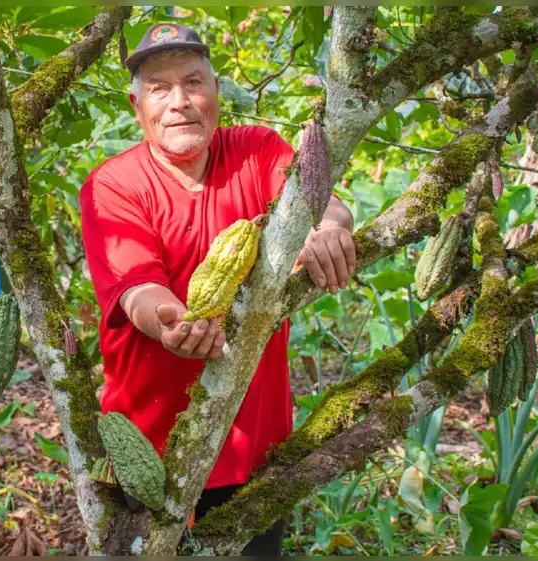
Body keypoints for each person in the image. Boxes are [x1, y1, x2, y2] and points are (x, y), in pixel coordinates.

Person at [79, 23, 356, 555]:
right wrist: (171, 322)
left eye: (193, 82)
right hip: (147, 453)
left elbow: (322, 200)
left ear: (216, 91)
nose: (179, 102)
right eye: (159, 88)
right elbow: (137, 290)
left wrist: (328, 227)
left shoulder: (256, 150)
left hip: (253, 446)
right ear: (137, 105)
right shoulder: (113, 184)